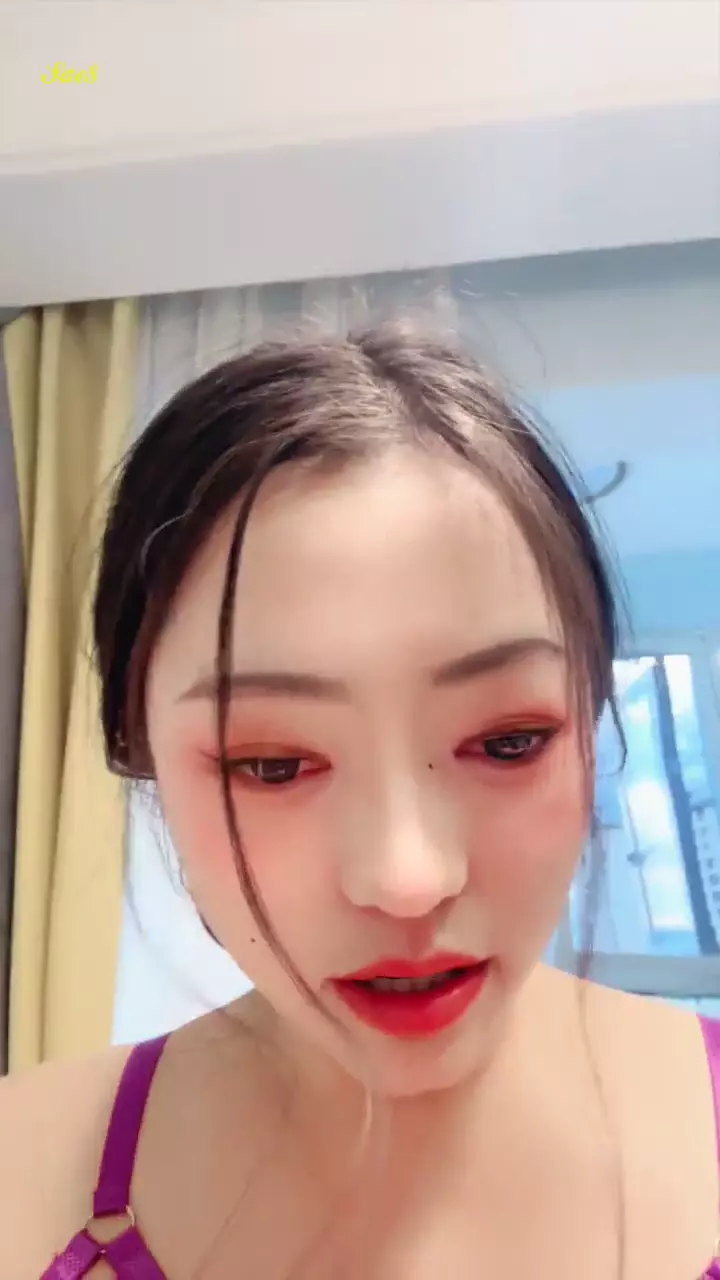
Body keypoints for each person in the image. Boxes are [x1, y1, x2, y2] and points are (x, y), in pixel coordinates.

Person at [0, 325, 717, 1280]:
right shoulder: (20, 1172)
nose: (408, 880)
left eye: (508, 742)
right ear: (141, 755)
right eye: (272, 764)